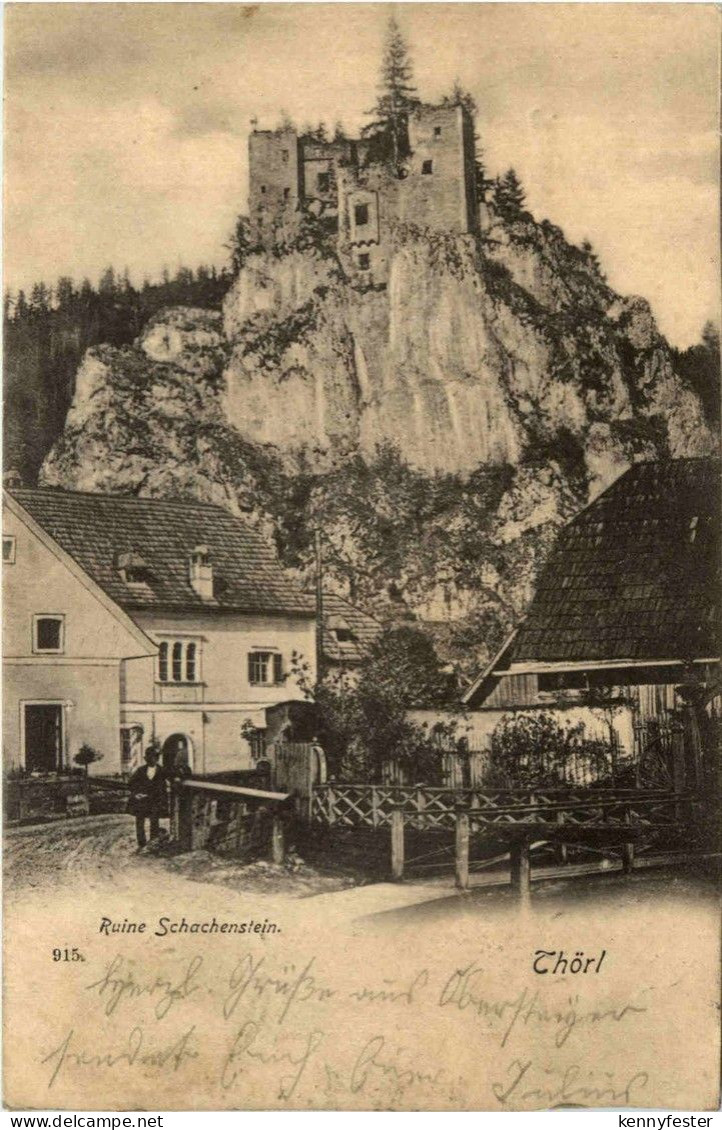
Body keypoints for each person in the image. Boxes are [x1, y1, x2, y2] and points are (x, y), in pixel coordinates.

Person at [128, 745, 167, 848]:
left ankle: (153, 843)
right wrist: (136, 793)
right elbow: (131, 783)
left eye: (155, 757)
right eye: (150, 757)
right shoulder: (141, 770)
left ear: (157, 758)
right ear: (146, 758)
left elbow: (170, 780)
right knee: (140, 822)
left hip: (155, 800)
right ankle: (141, 844)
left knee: (154, 821)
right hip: (142, 800)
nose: (153, 759)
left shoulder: (162, 770)